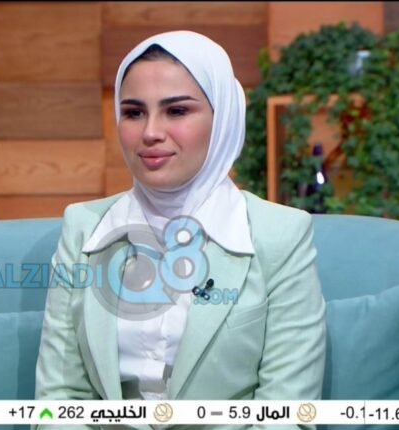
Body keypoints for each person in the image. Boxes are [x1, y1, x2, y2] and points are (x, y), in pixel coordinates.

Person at [34, 30, 326, 429]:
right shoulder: (83, 227)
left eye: (176, 111)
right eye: (133, 112)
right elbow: (59, 398)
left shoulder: (281, 235)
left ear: (222, 118)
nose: (151, 132)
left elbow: (287, 414)